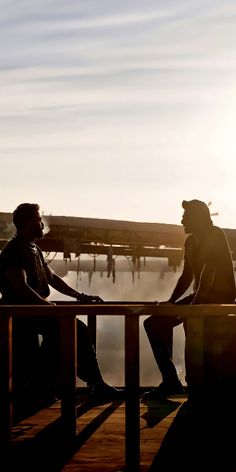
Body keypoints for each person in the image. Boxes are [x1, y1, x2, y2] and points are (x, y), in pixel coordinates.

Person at [0, 203, 124, 418]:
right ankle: (93, 384)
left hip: (36, 312)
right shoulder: (14, 251)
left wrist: (80, 296)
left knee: (63, 338)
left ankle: (49, 388)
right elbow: (20, 287)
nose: (42, 224)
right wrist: (47, 307)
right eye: (39, 219)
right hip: (21, 315)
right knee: (74, 331)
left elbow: (52, 278)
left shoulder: (33, 249)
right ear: (28, 222)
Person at [142, 199, 236, 401]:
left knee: (193, 328)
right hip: (200, 298)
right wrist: (171, 302)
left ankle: (200, 386)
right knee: (154, 324)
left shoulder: (215, 234)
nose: (182, 220)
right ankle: (170, 381)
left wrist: (195, 305)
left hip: (219, 298)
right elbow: (187, 275)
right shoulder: (191, 242)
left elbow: (208, 271)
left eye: (186, 216)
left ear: (197, 218)